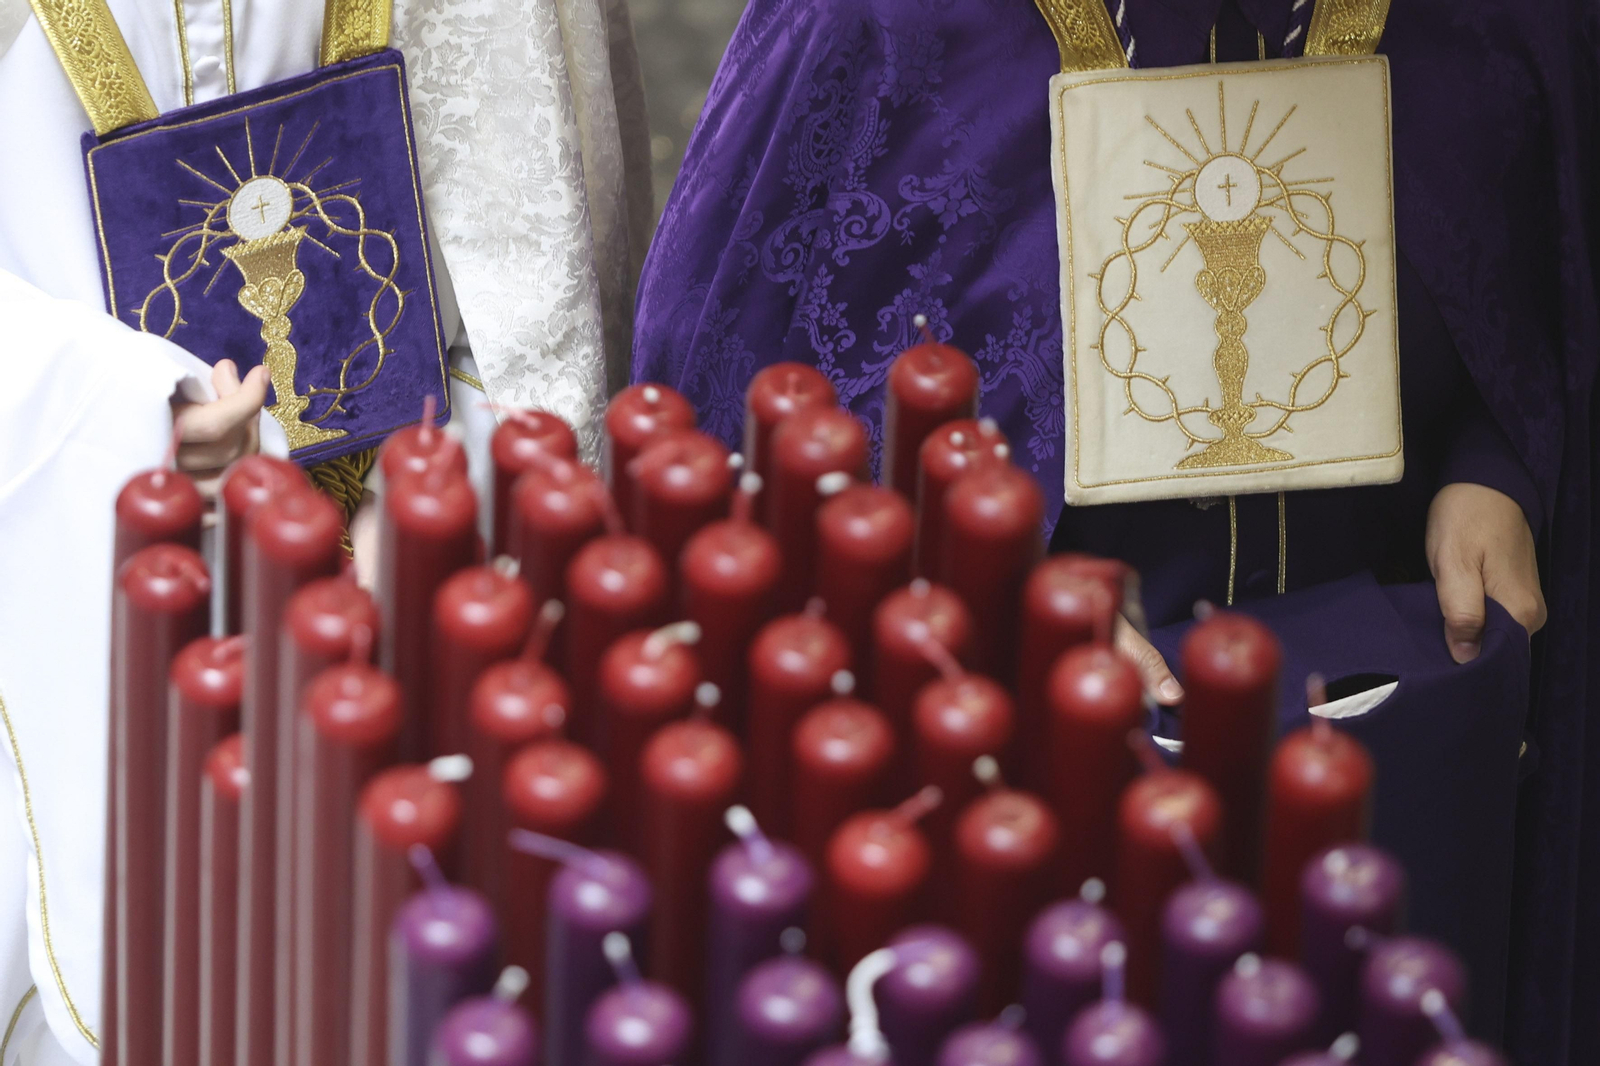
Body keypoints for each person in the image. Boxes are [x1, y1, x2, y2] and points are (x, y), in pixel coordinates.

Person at [633, 0, 1598, 1059]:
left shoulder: (1495, 23)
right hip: (1036, 799)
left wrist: (1495, 472)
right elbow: (744, 404)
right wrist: (973, 573)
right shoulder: (882, 25)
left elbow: (1535, 288)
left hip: (1400, 750)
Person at [0, 0, 648, 1055]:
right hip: (90, 484)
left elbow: (518, 209)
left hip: (423, 455)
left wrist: (451, 454)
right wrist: (122, 409)